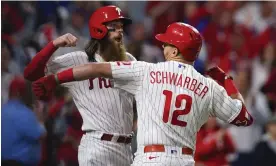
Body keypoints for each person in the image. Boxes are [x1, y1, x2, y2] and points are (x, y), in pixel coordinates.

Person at [32, 22, 254, 166]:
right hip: (185, 160)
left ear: (175, 50)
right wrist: (227, 82)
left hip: (149, 159)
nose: (163, 46)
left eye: (166, 43)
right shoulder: (209, 86)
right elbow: (244, 117)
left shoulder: (147, 70)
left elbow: (96, 68)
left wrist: (55, 78)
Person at [24, 5, 136, 166]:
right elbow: (30, 73)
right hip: (97, 144)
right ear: (99, 31)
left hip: (125, 149)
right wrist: (54, 44)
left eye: (121, 27)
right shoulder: (79, 59)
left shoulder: (130, 60)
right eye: (114, 27)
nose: (121, 31)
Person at [2, 77, 46, 166]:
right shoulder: (23, 112)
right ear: (19, 93)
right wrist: (40, 118)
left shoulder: (3, 110)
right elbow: (40, 135)